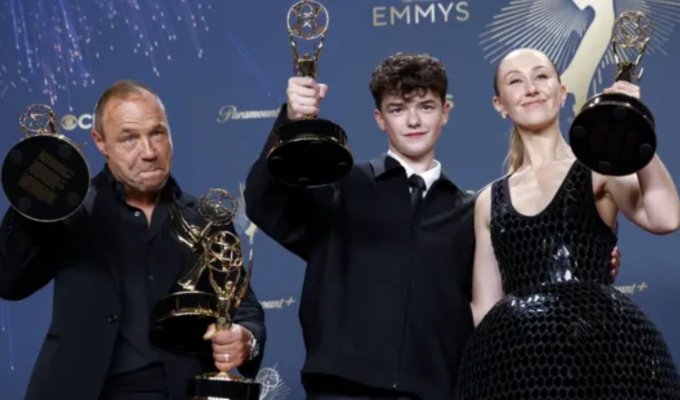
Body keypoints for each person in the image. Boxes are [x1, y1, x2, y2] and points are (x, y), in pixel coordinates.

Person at [244, 53, 621, 400]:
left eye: (426, 107)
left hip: (436, 393)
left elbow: (511, 285)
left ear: (445, 112)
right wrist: (290, 120)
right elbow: (265, 202)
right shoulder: (341, 187)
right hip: (341, 389)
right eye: (397, 109)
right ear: (379, 118)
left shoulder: (473, 211)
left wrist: (583, 255)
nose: (413, 121)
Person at [0, 80, 266, 400]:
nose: (149, 152)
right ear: (100, 142)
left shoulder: (207, 217)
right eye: (129, 138)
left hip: (182, 392)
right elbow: (9, 282)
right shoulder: (70, 213)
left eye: (157, 133)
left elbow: (242, 306)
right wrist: (33, 197)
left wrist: (246, 338)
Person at [458, 48, 680, 399]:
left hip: (601, 356)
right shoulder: (489, 200)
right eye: (515, 81)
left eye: (541, 76)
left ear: (562, 92)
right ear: (500, 105)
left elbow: (665, 217)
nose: (531, 88)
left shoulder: (597, 168)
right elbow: (485, 307)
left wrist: (634, 123)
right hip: (519, 369)